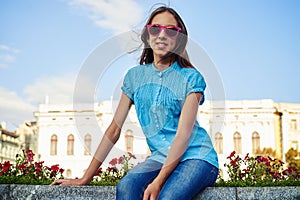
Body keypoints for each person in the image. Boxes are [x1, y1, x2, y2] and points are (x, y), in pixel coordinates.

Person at [51, 6, 219, 200]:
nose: (162, 35)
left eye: (171, 30)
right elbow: (114, 129)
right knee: (126, 187)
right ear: (148, 35)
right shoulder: (134, 77)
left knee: (168, 197)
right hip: (160, 158)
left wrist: (157, 182)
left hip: (197, 158)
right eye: (155, 29)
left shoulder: (191, 78)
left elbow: (183, 134)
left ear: (179, 39)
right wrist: (85, 178)